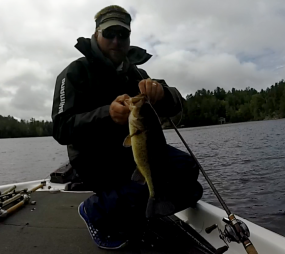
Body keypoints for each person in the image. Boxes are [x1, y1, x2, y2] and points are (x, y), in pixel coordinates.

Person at [51, 5, 203, 250]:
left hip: (134, 150)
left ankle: (138, 209)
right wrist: (106, 115)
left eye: (123, 35)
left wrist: (163, 94)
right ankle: (95, 210)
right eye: (109, 33)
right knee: (138, 188)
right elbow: (61, 128)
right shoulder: (75, 72)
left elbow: (178, 105)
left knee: (187, 171)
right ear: (96, 34)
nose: (116, 40)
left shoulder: (137, 73)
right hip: (95, 159)